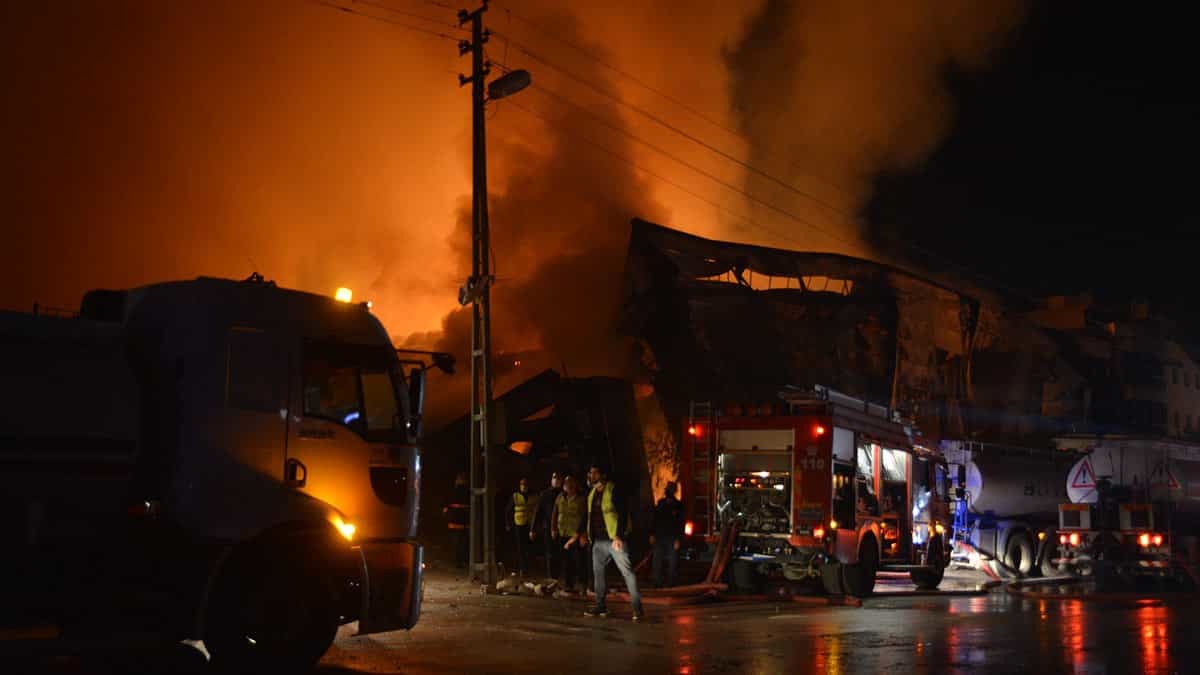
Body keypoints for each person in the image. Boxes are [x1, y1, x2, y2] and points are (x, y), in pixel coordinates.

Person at [582, 462, 643, 621]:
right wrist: (583, 534)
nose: (591, 475)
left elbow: (623, 513)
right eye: (590, 473)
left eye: (595, 473)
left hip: (614, 540)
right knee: (598, 575)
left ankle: (638, 609)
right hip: (598, 541)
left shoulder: (613, 490)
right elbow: (588, 516)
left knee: (627, 573)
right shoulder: (592, 493)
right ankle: (600, 606)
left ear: (603, 475)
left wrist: (618, 536)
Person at [551, 475, 588, 593]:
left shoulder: (581, 498)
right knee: (566, 561)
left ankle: (583, 584)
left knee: (580, 560)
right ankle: (569, 584)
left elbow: (585, 517)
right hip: (563, 532)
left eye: (571, 483)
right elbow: (555, 513)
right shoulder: (560, 497)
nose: (569, 486)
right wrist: (553, 528)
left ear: (575, 485)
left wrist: (583, 534)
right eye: (566, 483)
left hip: (576, 534)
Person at [650, 480, 685, 588]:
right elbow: (655, 519)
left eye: (669, 490)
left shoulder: (678, 506)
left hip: (672, 537)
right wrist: (652, 534)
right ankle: (657, 582)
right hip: (660, 536)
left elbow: (681, 523)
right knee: (657, 560)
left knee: (673, 561)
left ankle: (671, 582)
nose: (667, 491)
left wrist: (678, 539)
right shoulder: (661, 503)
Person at [530, 471, 563, 579]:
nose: (556, 480)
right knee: (550, 553)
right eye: (554, 477)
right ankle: (552, 577)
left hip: (563, 528)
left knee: (562, 553)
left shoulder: (564, 493)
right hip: (548, 527)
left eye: (558, 478)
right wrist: (533, 529)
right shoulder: (545, 494)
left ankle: (562, 576)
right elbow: (538, 511)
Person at [505, 477, 535, 576]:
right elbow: (509, 510)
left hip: (530, 524)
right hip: (519, 524)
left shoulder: (534, 496)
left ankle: (528, 567)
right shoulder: (515, 496)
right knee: (520, 547)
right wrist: (508, 523)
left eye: (525, 485)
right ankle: (522, 568)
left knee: (529, 547)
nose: (524, 486)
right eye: (522, 484)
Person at [443, 472, 470, 570]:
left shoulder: (453, 491)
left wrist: (447, 515)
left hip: (456, 519)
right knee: (462, 541)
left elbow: (446, 507)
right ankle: (461, 561)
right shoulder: (468, 491)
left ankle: (459, 561)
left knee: (458, 541)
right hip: (463, 520)